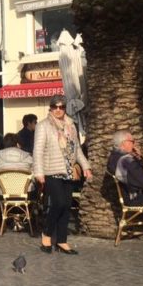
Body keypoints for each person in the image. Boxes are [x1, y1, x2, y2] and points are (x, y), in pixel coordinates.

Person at [32, 95, 90, 255]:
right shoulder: (43, 126)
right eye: (55, 106)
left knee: (66, 205)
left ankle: (62, 241)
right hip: (51, 170)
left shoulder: (71, 125)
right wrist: (39, 172)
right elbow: (38, 150)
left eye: (61, 107)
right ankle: (47, 233)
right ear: (50, 108)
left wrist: (86, 166)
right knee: (57, 203)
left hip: (69, 170)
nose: (58, 110)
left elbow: (76, 149)